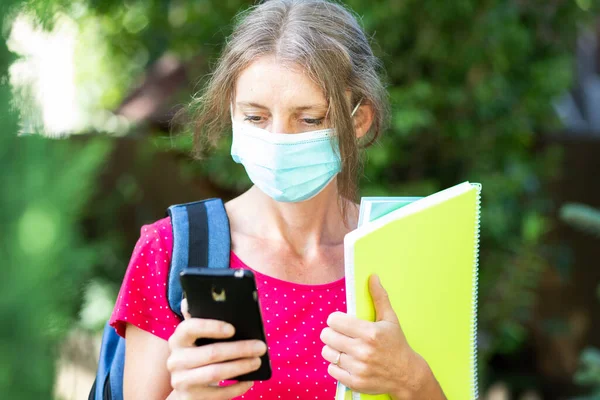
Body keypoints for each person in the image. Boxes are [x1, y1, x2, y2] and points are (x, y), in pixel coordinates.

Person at [109, 0, 447, 399]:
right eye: (255, 117)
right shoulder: (169, 249)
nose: (278, 140)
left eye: (309, 119)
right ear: (232, 111)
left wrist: (414, 382)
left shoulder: (405, 247)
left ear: (358, 120)